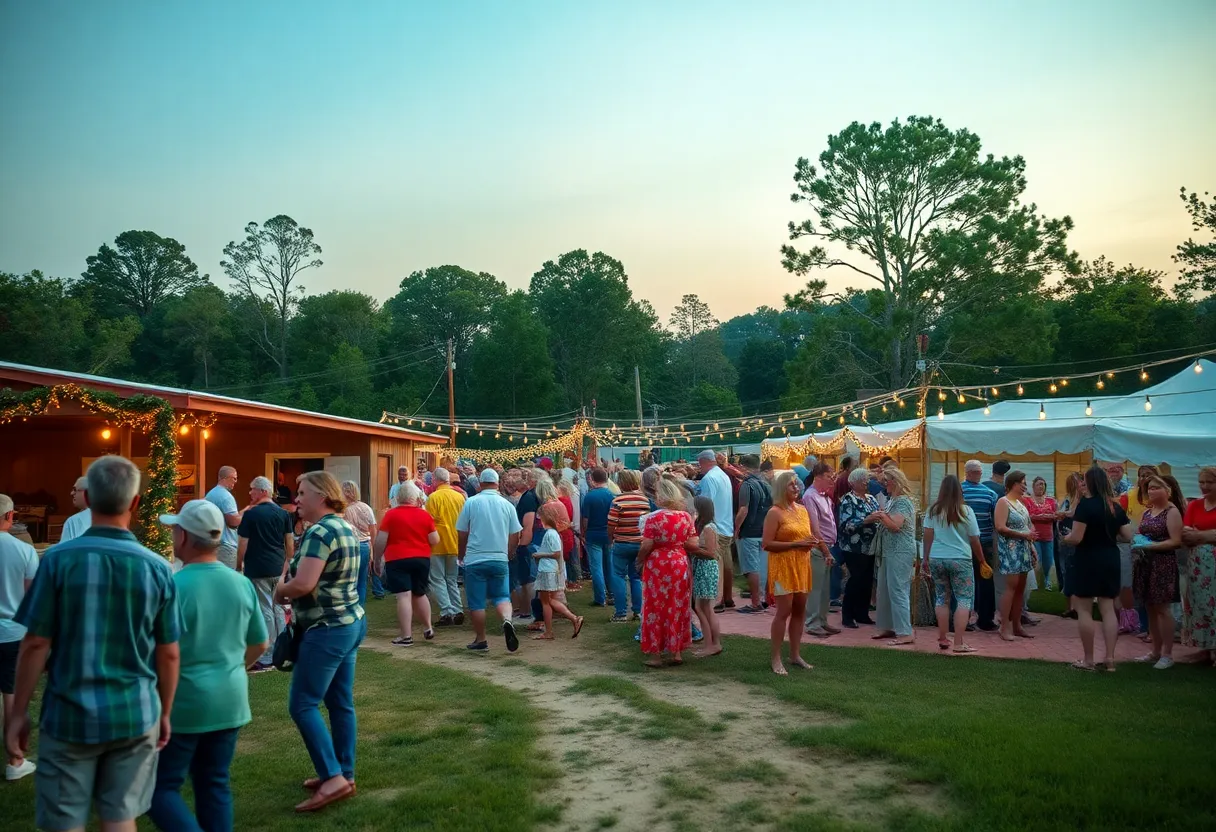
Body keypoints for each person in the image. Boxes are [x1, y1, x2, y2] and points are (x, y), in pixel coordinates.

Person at [7, 455, 180, 831]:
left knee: (64, 819)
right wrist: (165, 712)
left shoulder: (56, 561)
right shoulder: (157, 568)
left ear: (87, 499)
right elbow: (168, 652)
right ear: (135, 502)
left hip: (69, 714)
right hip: (136, 712)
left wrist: (18, 712)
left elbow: (35, 643)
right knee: (120, 817)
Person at [149, 500, 267, 832]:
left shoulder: (173, 586)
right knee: (214, 783)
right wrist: (233, 666)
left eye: (175, 529)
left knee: (158, 788)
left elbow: (158, 650)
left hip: (184, 702)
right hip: (229, 700)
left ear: (183, 536)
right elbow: (260, 642)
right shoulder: (240, 583)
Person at [273, 471, 364, 812]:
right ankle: (343, 773)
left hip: (326, 629)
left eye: (302, 492)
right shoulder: (344, 527)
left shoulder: (320, 531)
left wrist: (279, 589)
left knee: (303, 704)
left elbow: (302, 585)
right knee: (340, 702)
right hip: (348, 622)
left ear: (322, 496)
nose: (296, 499)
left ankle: (333, 776)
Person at [1062, 466, 1133, 671]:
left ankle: (1088, 659)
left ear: (1091, 482)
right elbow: (1127, 536)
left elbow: (1076, 537)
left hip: (1087, 559)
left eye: (1084, 480)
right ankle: (1110, 659)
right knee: (1108, 608)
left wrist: (1065, 538)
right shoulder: (1114, 506)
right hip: (1110, 557)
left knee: (1084, 609)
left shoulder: (1085, 505)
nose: (1081, 483)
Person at [455, 469, 522, 653]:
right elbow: (515, 534)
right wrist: (508, 553)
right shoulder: (507, 504)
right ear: (497, 483)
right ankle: (507, 620)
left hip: (476, 558)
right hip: (499, 557)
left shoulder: (471, 502)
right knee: (502, 596)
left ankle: (481, 639)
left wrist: (461, 555)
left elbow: (462, 532)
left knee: (477, 602)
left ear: (480, 483)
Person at [237, 475, 294, 672]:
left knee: (265, 610)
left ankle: (268, 655)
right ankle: (281, 649)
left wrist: (238, 565)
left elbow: (242, 543)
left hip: (257, 567)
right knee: (278, 608)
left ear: (263, 491)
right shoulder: (283, 514)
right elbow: (289, 543)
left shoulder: (251, 515)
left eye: (252, 489)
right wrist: (287, 565)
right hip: (278, 566)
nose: (250, 492)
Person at [923, 476, 986, 653]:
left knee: (942, 597)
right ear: (960, 490)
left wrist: (925, 558)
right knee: (964, 599)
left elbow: (928, 535)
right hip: (960, 559)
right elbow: (974, 539)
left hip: (937, 557)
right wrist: (982, 560)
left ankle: (943, 637)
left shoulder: (933, 510)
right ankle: (958, 642)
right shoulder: (966, 511)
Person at [762, 471, 816, 675]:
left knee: (800, 610)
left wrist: (813, 543)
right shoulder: (774, 512)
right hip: (783, 566)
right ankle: (775, 658)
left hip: (802, 564)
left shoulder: (802, 510)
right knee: (783, 611)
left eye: (797, 485)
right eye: (791, 485)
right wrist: (796, 544)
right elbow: (767, 544)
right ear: (781, 488)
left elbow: (807, 535)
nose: (796, 488)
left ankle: (795, 654)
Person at [1, 493, 39, 781]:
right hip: (12, 633)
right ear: (10, 517)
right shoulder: (23, 550)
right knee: (11, 695)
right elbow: (31, 599)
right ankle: (15, 760)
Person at [638, 478, 695, 668]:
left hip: (658, 564)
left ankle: (656, 655)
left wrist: (640, 558)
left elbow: (646, 544)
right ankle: (676, 651)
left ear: (660, 496)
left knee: (656, 607)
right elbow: (693, 543)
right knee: (677, 604)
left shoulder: (653, 518)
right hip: (679, 562)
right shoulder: (686, 517)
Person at [374, 482, 438, 646]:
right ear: (416, 498)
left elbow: (381, 540)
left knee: (403, 595)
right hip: (421, 558)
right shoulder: (425, 515)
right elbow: (435, 539)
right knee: (420, 593)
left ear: (397, 498)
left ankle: (406, 636)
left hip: (397, 558)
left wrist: (377, 560)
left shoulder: (391, 515)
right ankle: (428, 627)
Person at [1131, 475, 1183, 670]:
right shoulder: (1147, 512)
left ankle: (1168, 654)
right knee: (1150, 607)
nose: (1151, 491)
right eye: (1149, 488)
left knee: (1162, 609)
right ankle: (1155, 650)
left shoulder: (1171, 512)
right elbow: (1140, 533)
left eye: (1155, 488)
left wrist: (1153, 545)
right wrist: (1138, 541)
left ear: (1167, 490)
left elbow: (1176, 541)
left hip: (1163, 564)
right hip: (1145, 563)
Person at [872, 467, 917, 646]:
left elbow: (896, 525)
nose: (883, 485)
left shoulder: (903, 502)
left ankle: (905, 632)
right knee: (884, 589)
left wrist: (881, 516)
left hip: (900, 551)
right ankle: (887, 626)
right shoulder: (893, 500)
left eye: (886, 482)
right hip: (889, 551)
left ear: (895, 482)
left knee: (898, 591)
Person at [994, 471, 1037, 641]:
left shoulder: (1021, 504)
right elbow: (1000, 527)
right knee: (1010, 588)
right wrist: (1023, 535)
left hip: (1024, 550)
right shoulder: (1003, 502)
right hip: (1010, 551)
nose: (1025, 486)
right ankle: (1004, 626)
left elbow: (1028, 527)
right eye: (1022, 483)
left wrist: (1031, 546)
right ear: (1013, 484)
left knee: (1021, 589)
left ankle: (1017, 625)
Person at [531, 502, 584, 640]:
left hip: (547, 570)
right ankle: (571, 619)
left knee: (546, 601)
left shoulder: (551, 534)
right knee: (550, 600)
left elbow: (556, 553)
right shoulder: (552, 533)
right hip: (550, 570)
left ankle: (555, 628)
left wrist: (539, 555)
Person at [1181, 466, 1216, 666]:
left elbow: (1194, 534)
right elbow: (1185, 535)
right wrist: (1210, 535)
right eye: (1201, 482)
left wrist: (1200, 535)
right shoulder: (1194, 506)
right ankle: (1206, 646)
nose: (1204, 486)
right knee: (1200, 604)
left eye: (1209, 482)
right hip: (1198, 566)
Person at [604, 470, 649, 624]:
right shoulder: (644, 500)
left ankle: (621, 612)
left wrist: (611, 538)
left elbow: (611, 524)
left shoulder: (618, 500)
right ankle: (638, 611)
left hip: (622, 542)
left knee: (618, 576)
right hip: (639, 542)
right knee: (636, 577)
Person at [837, 467, 879, 629]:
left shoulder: (871, 498)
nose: (867, 482)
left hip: (870, 546)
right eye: (863, 480)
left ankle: (862, 613)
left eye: (867, 479)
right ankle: (848, 615)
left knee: (867, 580)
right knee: (855, 579)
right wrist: (866, 520)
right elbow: (846, 525)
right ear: (853, 483)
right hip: (854, 547)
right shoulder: (848, 500)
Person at [425, 466, 466, 626]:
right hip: (455, 543)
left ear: (436, 480)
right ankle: (458, 609)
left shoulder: (433, 497)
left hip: (438, 544)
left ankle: (446, 611)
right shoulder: (459, 497)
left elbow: (428, 523)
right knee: (452, 579)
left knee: (437, 579)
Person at [695, 449, 735, 613]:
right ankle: (727, 597)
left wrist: (699, 524)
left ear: (704, 462)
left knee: (717, 563)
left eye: (699, 465)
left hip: (715, 525)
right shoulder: (723, 475)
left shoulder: (709, 478)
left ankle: (718, 600)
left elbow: (705, 504)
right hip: (726, 523)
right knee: (727, 563)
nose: (699, 469)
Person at [802, 462, 839, 638]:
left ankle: (822, 620)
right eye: (828, 476)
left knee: (825, 589)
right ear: (818, 477)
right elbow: (814, 529)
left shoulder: (824, 496)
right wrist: (825, 551)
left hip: (828, 548)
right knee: (815, 588)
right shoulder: (810, 496)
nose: (832, 480)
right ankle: (812, 623)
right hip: (818, 549)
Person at [961, 460, 999, 631]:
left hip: (982, 542)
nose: (978, 475)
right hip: (965, 542)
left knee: (984, 578)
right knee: (966, 580)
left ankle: (985, 617)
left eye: (979, 472)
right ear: (967, 472)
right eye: (976, 472)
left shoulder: (989, 494)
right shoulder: (959, 491)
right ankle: (967, 617)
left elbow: (995, 519)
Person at [734, 454, 772, 615]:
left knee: (751, 567)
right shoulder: (767, 484)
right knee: (762, 567)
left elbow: (743, 509)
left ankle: (755, 602)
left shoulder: (747, 485)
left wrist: (736, 529)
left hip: (749, 531)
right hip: (764, 530)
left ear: (743, 466)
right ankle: (762, 599)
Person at [689, 495, 723, 657]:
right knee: (701, 607)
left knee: (704, 607)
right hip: (700, 567)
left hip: (707, 568)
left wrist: (692, 549)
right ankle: (709, 643)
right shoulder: (701, 525)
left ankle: (713, 644)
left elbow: (711, 553)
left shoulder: (709, 527)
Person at [341, 481, 384, 604]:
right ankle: (360, 608)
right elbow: (373, 529)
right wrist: (373, 548)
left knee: (349, 580)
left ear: (347, 493)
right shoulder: (366, 507)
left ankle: (351, 608)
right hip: (365, 545)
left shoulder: (345, 511)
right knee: (362, 581)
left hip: (351, 547)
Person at [581, 467, 615, 608]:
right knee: (609, 565)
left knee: (596, 567)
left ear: (593, 479)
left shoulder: (589, 496)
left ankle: (600, 598)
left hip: (593, 534)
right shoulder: (611, 495)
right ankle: (612, 593)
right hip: (607, 534)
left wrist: (583, 533)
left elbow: (585, 519)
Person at [1055, 472, 1087, 618]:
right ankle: (1069, 606)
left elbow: (1075, 514)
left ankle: (1076, 608)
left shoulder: (1084, 499)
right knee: (1066, 570)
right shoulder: (1067, 499)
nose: (1077, 484)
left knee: (1075, 571)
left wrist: (1064, 514)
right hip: (1064, 539)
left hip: (1076, 540)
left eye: (1079, 481)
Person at [205, 466, 242, 570]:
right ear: (226, 477)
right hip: (226, 546)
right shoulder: (226, 496)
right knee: (227, 582)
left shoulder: (211, 494)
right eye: (234, 478)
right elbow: (233, 521)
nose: (235, 481)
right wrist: (246, 515)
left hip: (214, 543)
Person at [1025, 477, 1058, 591]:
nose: (1041, 486)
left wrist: (1050, 516)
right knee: (1036, 559)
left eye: (1043, 484)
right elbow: (1026, 516)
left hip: (1048, 536)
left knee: (1048, 560)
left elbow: (1056, 515)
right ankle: (1035, 583)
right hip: (1034, 536)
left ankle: (1047, 580)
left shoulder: (1051, 500)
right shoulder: (1027, 500)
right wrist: (1039, 517)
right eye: (1039, 484)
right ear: (1033, 486)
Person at [60, 476, 91, 542]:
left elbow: (65, 550)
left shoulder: (72, 522)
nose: (71, 493)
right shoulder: (113, 517)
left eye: (75, 489)